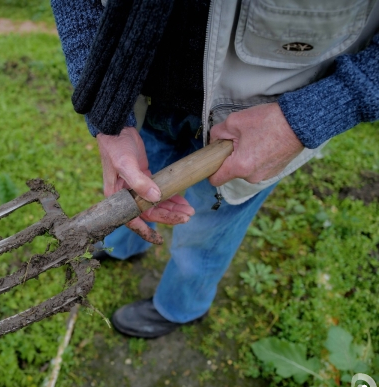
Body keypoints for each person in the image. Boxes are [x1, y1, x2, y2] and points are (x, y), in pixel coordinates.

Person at [50, 0, 379, 338]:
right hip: (145, 98)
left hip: (260, 122)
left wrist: (313, 113)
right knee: (135, 190)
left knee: (207, 229)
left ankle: (181, 306)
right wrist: (108, 114)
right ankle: (124, 246)